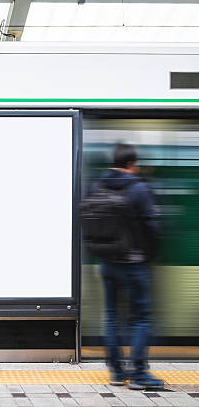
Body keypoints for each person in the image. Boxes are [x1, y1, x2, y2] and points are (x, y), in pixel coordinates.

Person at [86, 143, 163, 390]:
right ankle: (139, 374)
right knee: (141, 318)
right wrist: (150, 255)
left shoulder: (97, 186)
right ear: (132, 164)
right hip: (133, 264)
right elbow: (152, 227)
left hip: (107, 262)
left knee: (111, 317)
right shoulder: (139, 189)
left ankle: (117, 372)